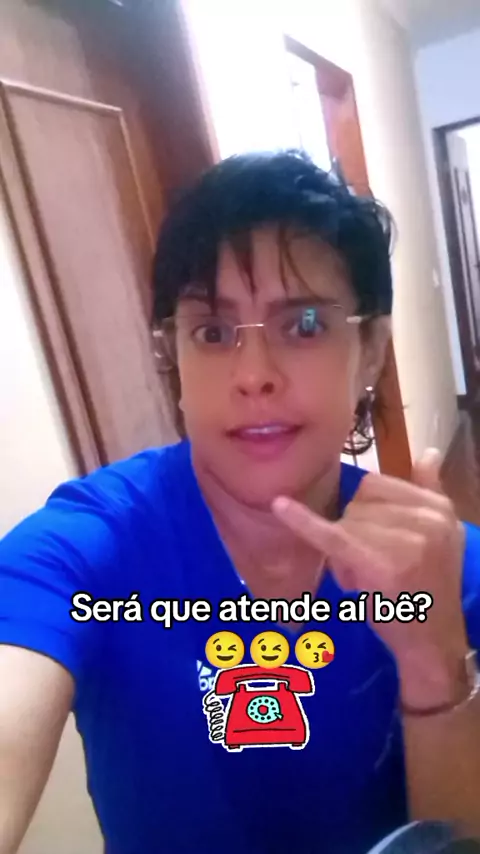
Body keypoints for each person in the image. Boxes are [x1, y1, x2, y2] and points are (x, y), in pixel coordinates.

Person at [0, 151, 479, 854]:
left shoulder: (447, 569)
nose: (253, 375)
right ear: (174, 353)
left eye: (304, 324)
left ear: (372, 350)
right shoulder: (91, 546)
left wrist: (434, 659)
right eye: (213, 332)